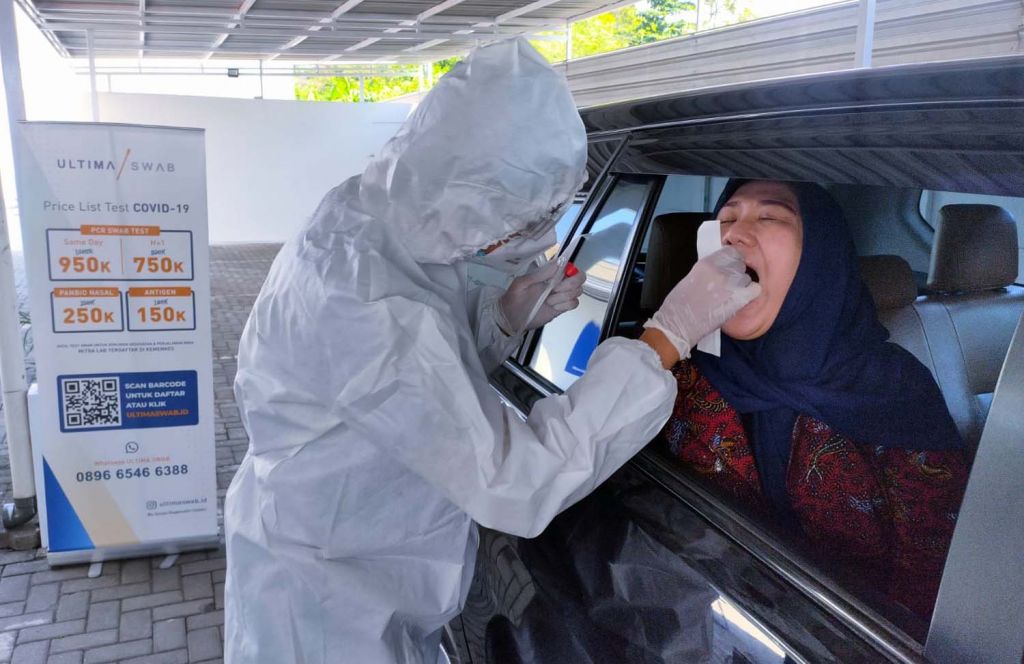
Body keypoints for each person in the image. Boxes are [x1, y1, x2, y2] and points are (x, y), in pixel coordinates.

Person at [223, 39, 759, 663]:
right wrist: (665, 336)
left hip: (340, 553)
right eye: (527, 224)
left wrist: (501, 320)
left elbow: (413, 376)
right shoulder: (369, 302)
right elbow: (514, 481)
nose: (547, 238)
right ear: (466, 203)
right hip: (326, 610)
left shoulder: (386, 211)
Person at [656, 179, 970, 618]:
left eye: (769, 217)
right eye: (725, 219)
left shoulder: (894, 391)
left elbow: (935, 589)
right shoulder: (678, 378)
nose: (732, 234)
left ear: (818, 258)